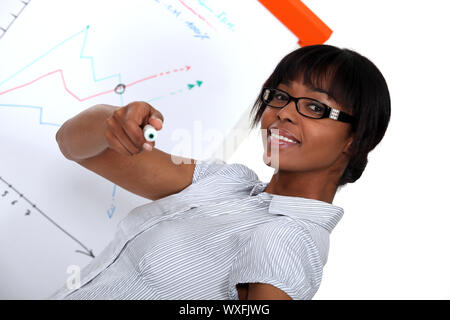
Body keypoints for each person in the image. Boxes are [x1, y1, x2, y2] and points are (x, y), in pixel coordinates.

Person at [51, 44, 390, 300]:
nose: (284, 113)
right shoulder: (227, 183)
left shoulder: (288, 237)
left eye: (316, 107)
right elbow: (73, 145)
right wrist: (114, 119)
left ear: (356, 138)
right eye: (281, 95)